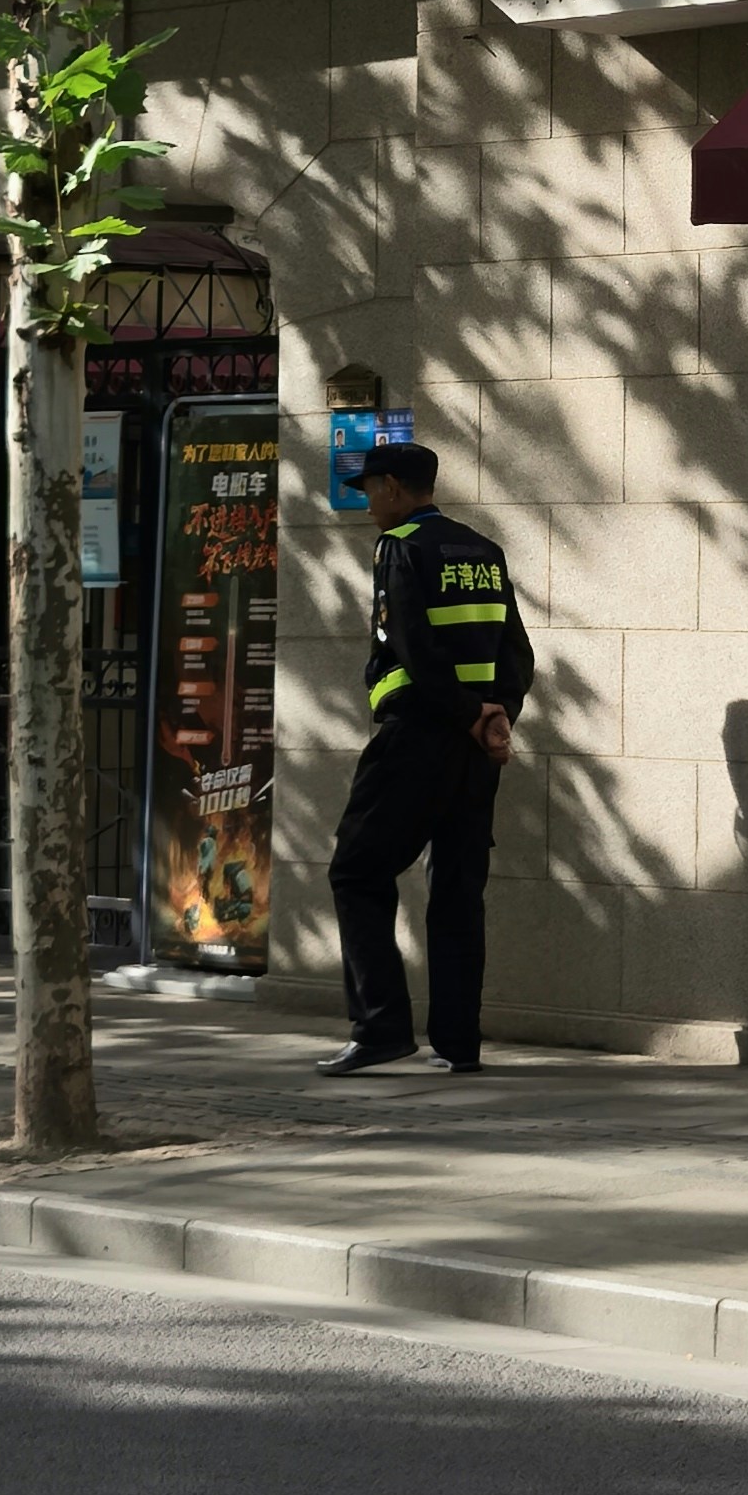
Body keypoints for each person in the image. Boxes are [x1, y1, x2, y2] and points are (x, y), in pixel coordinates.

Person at [320, 440, 526, 1078]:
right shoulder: (485, 551)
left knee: (356, 871)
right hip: (474, 753)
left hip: (418, 737)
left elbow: (409, 644)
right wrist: (495, 718)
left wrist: (467, 716)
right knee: (458, 890)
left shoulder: (400, 548)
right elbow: (518, 655)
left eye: (369, 490)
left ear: (393, 487)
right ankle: (459, 1044)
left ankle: (381, 1028)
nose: (366, 502)